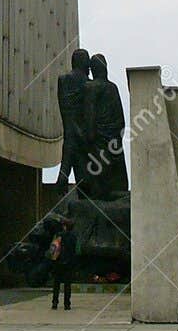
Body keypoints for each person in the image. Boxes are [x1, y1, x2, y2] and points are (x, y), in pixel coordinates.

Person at [83, 53, 128, 198]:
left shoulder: (90, 87)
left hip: (99, 142)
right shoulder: (112, 88)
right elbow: (121, 120)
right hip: (113, 140)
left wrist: (89, 138)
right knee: (117, 180)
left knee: (99, 182)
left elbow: (89, 116)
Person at [54, 49, 93, 191]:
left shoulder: (63, 80)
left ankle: (63, 176)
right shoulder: (90, 85)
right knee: (86, 179)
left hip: (69, 130)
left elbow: (64, 107)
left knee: (69, 155)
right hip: (85, 136)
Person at [50, 218, 78, 311]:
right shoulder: (74, 237)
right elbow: (77, 250)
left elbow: (53, 248)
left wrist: (53, 259)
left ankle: (55, 303)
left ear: (64, 226)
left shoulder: (58, 236)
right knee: (67, 284)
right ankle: (67, 304)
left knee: (56, 283)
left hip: (58, 262)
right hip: (69, 263)